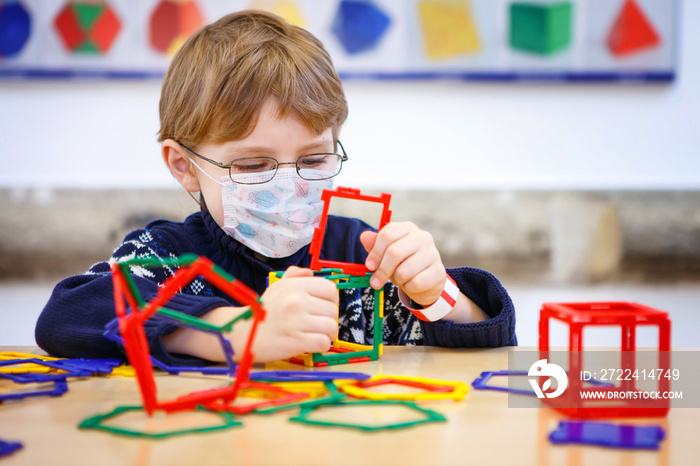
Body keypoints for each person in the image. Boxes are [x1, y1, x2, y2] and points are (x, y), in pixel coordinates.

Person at [36, 10, 516, 367]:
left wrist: (438, 294)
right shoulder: (165, 254)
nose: (288, 185)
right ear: (184, 167)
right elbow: (69, 313)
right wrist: (236, 332)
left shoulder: (356, 251)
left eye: (312, 159)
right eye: (252, 164)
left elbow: (489, 344)